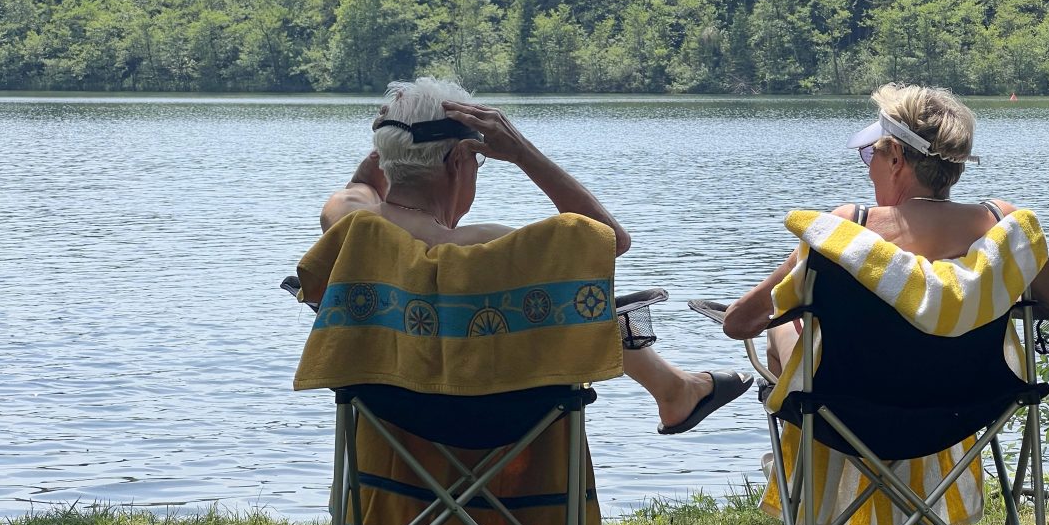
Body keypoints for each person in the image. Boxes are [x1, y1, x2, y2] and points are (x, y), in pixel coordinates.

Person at [723, 82, 1049, 525]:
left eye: (870, 154)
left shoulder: (847, 231)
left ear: (896, 156)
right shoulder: (1005, 229)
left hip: (845, 411)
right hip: (966, 409)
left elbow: (739, 322)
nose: (868, 166)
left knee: (787, 332)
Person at [322, 76, 753, 434]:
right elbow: (613, 239)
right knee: (572, 301)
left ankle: (674, 388)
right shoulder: (494, 249)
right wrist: (523, 152)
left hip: (393, 433)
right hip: (501, 438)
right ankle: (674, 390)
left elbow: (361, 186)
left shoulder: (350, 228)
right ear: (459, 160)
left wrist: (395, 143)